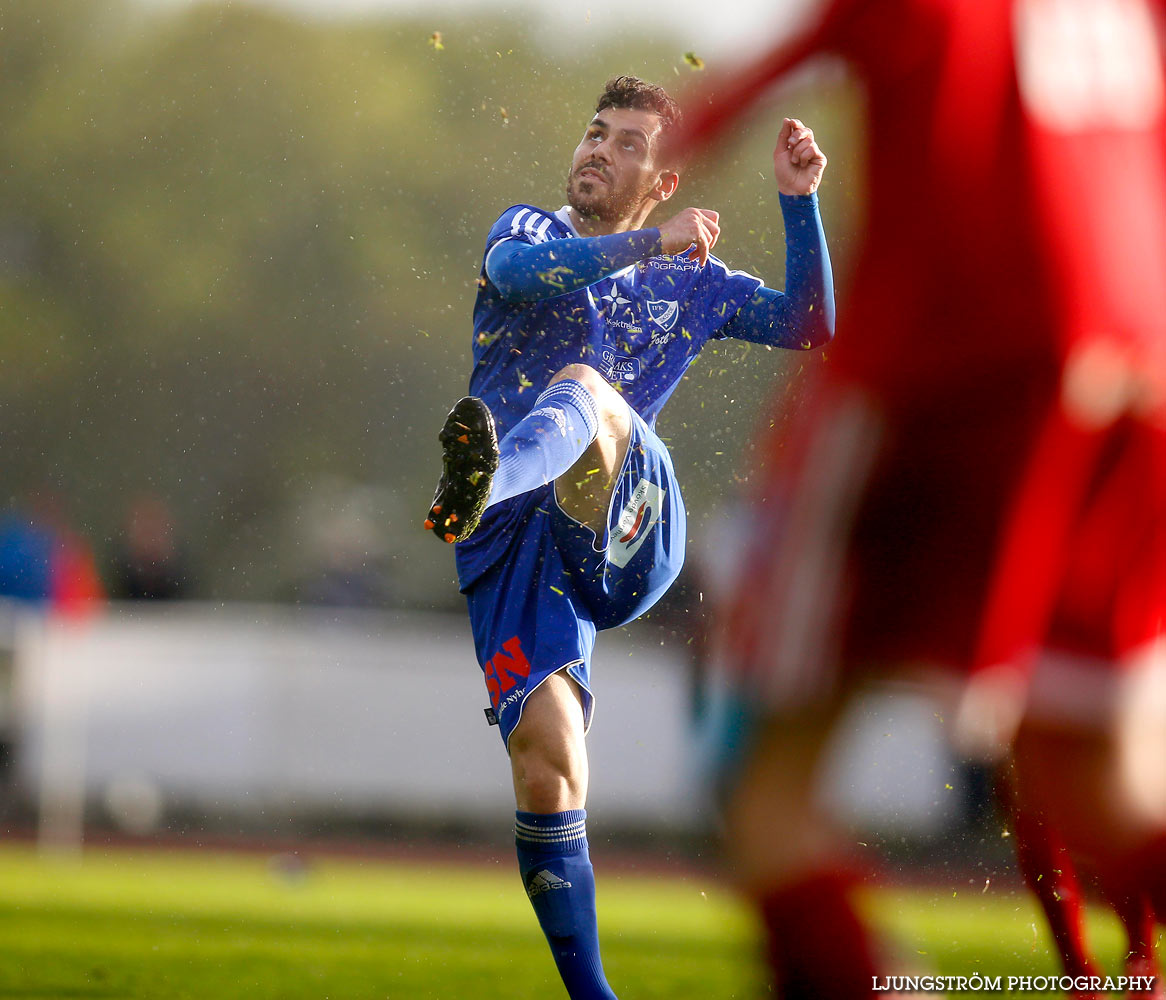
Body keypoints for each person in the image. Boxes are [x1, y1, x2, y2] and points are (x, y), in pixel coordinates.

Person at [670, 0, 1166, 995]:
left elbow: (699, 125)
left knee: (765, 782)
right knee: (1091, 781)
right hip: (1137, 375)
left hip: (953, 369)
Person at [422, 75, 833, 1000]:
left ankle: (488, 473)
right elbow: (522, 278)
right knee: (546, 766)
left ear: (667, 176)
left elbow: (815, 325)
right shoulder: (531, 231)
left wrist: (798, 205)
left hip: (629, 526)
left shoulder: (693, 283)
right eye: (594, 132)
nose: (598, 150)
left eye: (626, 143)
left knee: (584, 386)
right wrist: (649, 242)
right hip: (515, 550)